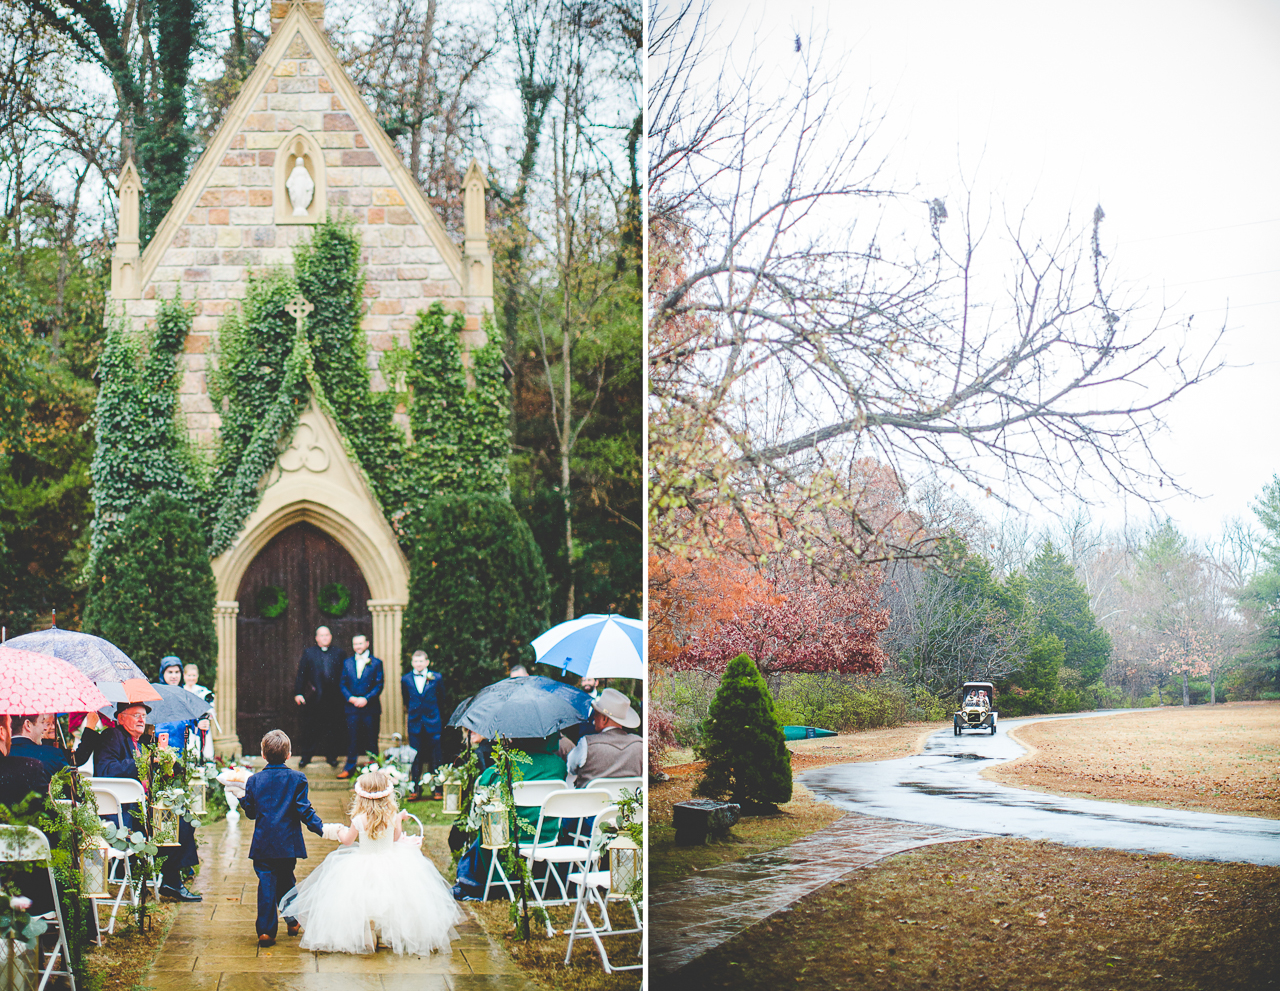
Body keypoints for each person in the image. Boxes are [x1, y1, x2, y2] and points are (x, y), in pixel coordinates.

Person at [279, 767, 461, 955]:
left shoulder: (359, 819)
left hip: (363, 862)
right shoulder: (391, 816)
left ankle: (370, 932)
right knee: (389, 898)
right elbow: (396, 838)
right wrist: (399, 819)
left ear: (362, 797)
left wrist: (338, 830)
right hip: (391, 861)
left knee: (363, 900)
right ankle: (383, 936)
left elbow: (348, 840)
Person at [78, 702, 203, 902]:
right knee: (174, 822)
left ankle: (171, 878)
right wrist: (145, 762)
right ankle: (170, 879)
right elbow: (106, 770)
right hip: (124, 812)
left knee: (180, 817)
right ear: (120, 718)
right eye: (135, 715)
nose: (141, 719)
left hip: (144, 808)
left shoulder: (144, 742)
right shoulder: (113, 736)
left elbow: (165, 772)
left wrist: (167, 762)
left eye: (143, 715)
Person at [239, 729, 326, 947]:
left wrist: (241, 797)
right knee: (287, 880)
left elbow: (251, 813)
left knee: (267, 883)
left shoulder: (254, 781)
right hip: (288, 844)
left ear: (263, 754)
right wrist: (321, 828)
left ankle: (267, 931)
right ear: (288, 755)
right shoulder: (297, 779)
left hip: (264, 844)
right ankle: (293, 920)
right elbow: (304, 810)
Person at [452, 736, 567, 901]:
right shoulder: (559, 766)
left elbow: (482, 791)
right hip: (547, 837)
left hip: (508, 840)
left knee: (489, 825)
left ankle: (472, 878)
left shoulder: (502, 768)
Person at [565, 688, 643, 788]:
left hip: (589, 802)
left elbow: (571, 767)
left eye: (596, 714)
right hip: (627, 802)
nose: (593, 718)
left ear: (604, 719)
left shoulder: (587, 743)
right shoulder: (639, 744)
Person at [293, 626, 345, 767]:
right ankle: (306, 756)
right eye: (321, 635)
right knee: (310, 728)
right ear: (317, 638)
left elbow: (344, 675)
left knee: (333, 729)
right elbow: (301, 674)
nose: (324, 638)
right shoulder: (309, 653)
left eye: (327, 635)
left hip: (334, 699)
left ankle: (332, 757)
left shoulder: (339, 653)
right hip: (314, 699)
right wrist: (298, 692)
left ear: (331, 636)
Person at [337, 634, 383, 780]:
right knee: (352, 739)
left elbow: (379, 684)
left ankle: (374, 769)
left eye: (360, 643)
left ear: (367, 644)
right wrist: (350, 698)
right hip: (352, 708)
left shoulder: (376, 663)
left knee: (371, 739)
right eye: (355, 644)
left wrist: (366, 699)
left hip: (370, 708)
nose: (358, 646)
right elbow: (342, 683)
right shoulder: (347, 663)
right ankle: (349, 768)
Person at [401, 651, 443, 799]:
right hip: (415, 722)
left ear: (427, 662)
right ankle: (415, 789)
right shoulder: (405, 679)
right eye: (415, 661)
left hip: (433, 721)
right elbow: (406, 699)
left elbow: (441, 697)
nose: (418, 664)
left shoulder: (436, 678)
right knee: (415, 756)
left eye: (421, 661)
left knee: (436, 756)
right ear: (412, 663)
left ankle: (438, 788)